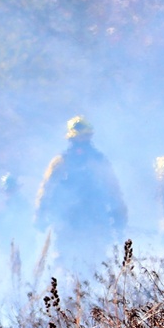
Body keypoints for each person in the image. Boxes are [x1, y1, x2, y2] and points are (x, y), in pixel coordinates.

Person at [35, 116, 127, 270]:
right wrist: (40, 214)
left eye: (84, 137)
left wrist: (119, 215)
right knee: (64, 261)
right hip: (67, 220)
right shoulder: (60, 162)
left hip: (95, 219)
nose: (81, 141)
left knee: (96, 261)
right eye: (78, 137)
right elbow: (46, 189)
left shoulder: (99, 161)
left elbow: (113, 190)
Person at [0, 173, 33, 284]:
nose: (8, 192)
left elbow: (27, 225)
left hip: (23, 245)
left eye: (10, 189)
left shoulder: (23, 205)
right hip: (8, 245)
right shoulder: (4, 207)